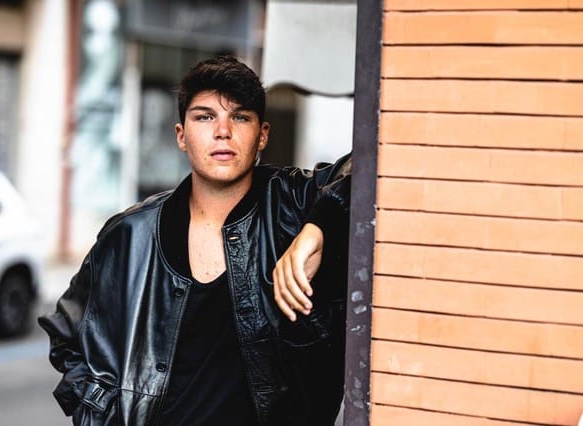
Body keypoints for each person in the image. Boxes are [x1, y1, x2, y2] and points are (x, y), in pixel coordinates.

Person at [39, 55, 351, 426]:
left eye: (240, 117)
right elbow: (67, 336)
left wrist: (316, 228)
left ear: (262, 135)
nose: (223, 131)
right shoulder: (130, 235)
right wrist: (101, 414)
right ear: (181, 135)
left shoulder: (294, 207)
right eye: (205, 117)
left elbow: (377, 159)